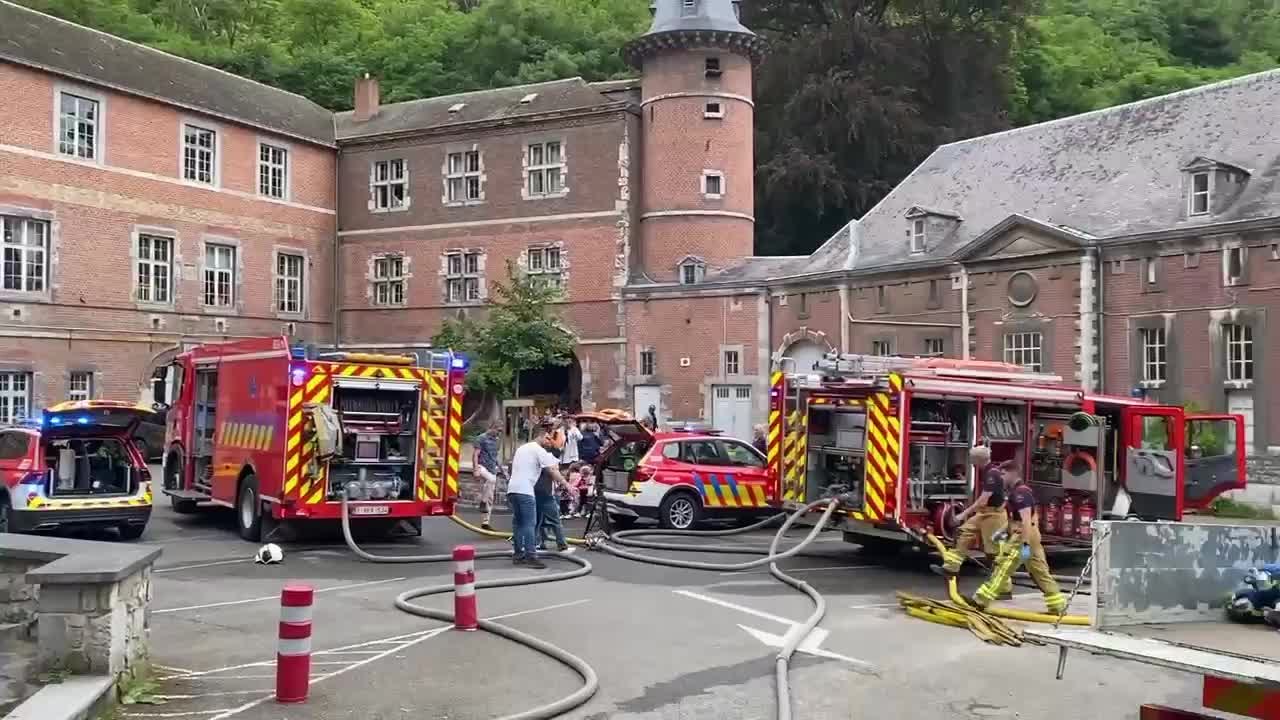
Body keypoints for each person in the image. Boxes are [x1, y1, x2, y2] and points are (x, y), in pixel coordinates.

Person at [970, 465, 1067, 613]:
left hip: (1023, 537)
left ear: (1011, 473)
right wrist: (1002, 532)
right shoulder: (1020, 492)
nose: (1000, 478)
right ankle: (1057, 605)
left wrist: (1025, 545)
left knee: (1003, 567)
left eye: (1003, 474)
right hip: (1029, 535)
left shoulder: (1020, 494)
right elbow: (1018, 519)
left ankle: (980, 600)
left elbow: (1026, 520)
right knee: (1039, 571)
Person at [932, 446, 1009, 590]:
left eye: (973, 459)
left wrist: (963, 514)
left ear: (979, 460)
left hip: (994, 516)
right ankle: (951, 568)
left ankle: (1004, 588)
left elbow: (983, 500)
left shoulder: (992, 474)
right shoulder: (988, 471)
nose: (971, 462)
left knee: (994, 553)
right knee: (963, 532)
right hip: (985, 513)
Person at [507, 426, 562, 569]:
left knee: (518, 523)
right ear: (542, 436)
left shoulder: (521, 448)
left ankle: (518, 555)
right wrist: (568, 486)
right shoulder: (538, 450)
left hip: (512, 490)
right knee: (529, 524)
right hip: (525, 491)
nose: (549, 441)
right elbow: (552, 470)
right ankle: (531, 555)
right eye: (548, 438)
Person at [471, 422, 504, 531]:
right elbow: (475, 454)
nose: (498, 433)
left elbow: (495, 457)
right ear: (491, 428)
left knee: (491, 496)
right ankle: (483, 501)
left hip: (492, 468)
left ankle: (485, 522)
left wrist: (501, 469)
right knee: (491, 480)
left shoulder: (497, 441)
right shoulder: (481, 438)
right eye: (497, 430)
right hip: (481, 466)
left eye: (500, 431)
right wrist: (475, 469)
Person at [535, 459, 569, 553]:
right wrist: (566, 484)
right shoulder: (548, 461)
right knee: (555, 521)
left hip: (538, 493)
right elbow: (553, 471)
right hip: (546, 495)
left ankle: (538, 542)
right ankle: (561, 544)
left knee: (538, 521)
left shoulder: (539, 461)